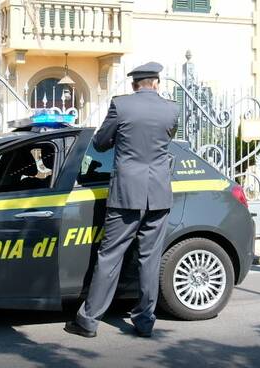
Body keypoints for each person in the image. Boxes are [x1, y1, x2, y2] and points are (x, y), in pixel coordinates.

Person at [64, 62, 179, 338]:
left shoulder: (121, 105)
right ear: (157, 83)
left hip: (127, 193)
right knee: (150, 260)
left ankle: (89, 320)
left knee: (110, 256)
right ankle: (144, 321)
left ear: (134, 84)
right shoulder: (172, 109)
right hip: (159, 194)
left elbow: (101, 142)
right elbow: (166, 139)